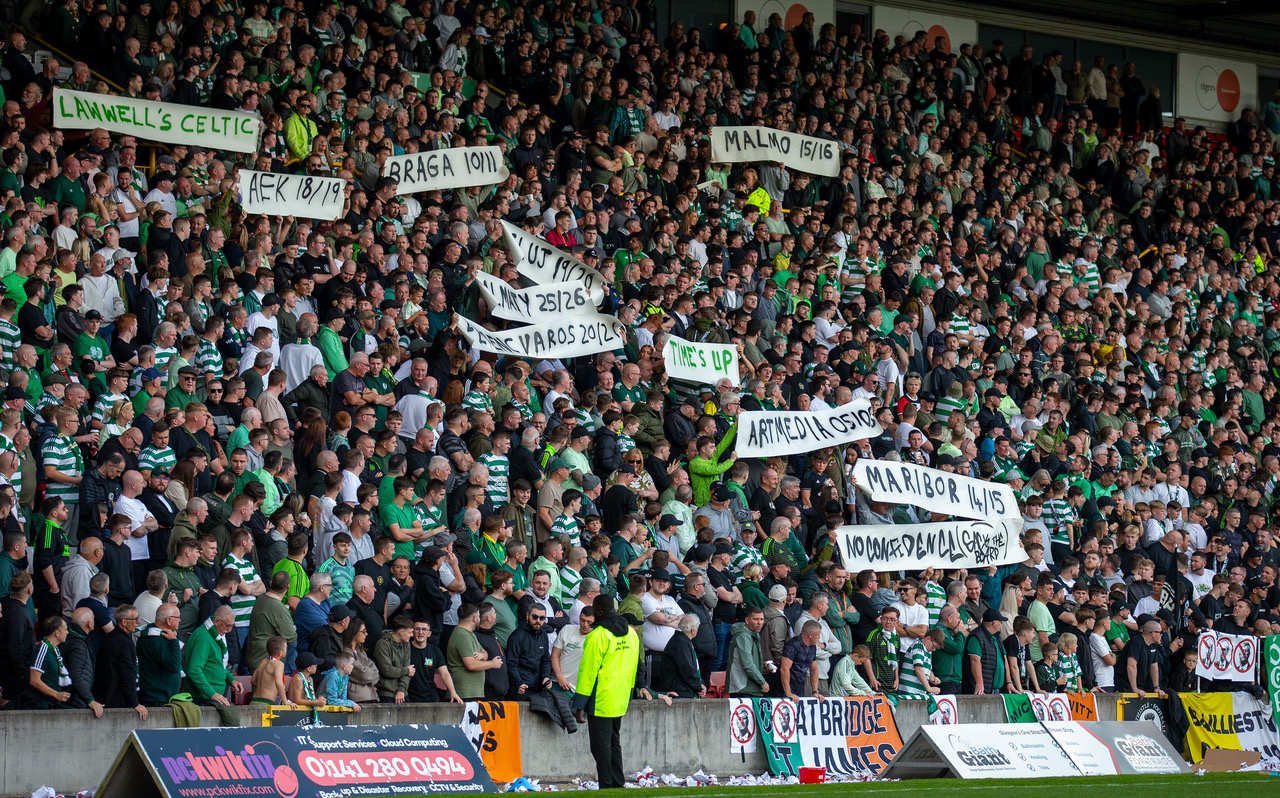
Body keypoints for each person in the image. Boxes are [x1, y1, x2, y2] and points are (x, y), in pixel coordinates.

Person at [573, 595, 649, 790]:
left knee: (600, 746)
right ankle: (617, 782)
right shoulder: (631, 634)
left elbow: (588, 672)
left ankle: (606, 785)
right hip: (620, 696)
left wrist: (579, 704)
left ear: (599, 612)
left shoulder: (597, 635)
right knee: (614, 743)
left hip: (601, 697)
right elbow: (636, 666)